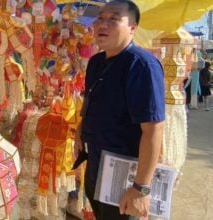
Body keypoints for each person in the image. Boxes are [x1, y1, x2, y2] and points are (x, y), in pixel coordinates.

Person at [74, 1, 165, 219]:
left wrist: (141, 188)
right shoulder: (96, 62)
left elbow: (153, 130)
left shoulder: (141, 66)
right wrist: (79, 133)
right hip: (96, 167)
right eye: (100, 18)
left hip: (125, 178)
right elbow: (91, 104)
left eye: (113, 19)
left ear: (132, 28)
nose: (102, 24)